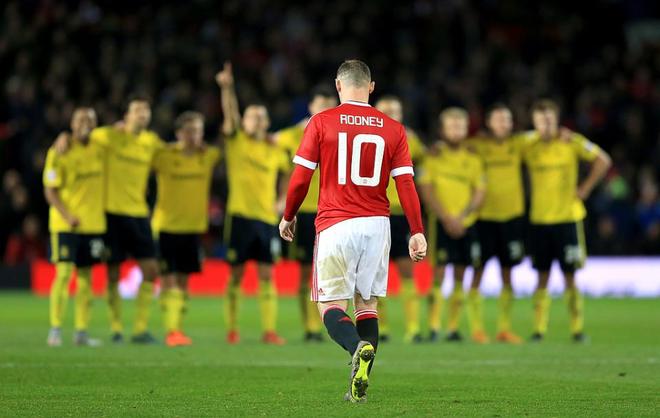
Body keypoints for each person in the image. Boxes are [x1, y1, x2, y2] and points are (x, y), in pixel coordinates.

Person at [279, 60, 427, 402]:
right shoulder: (394, 128)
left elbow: (301, 178)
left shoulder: (321, 122)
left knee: (330, 306)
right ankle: (358, 386)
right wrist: (417, 230)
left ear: (338, 85)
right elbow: (405, 183)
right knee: (367, 304)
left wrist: (288, 215)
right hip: (378, 225)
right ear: (371, 87)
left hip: (336, 223)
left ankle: (355, 346)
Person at [57, 97, 165, 343]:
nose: (143, 114)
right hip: (112, 214)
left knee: (151, 270)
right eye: (137, 110)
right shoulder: (107, 136)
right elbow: (81, 134)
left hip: (139, 214)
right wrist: (63, 136)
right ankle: (116, 328)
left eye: (146, 111)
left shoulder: (151, 142)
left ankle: (140, 330)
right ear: (127, 116)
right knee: (113, 272)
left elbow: (170, 155)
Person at [524, 99, 611, 342]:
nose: (545, 125)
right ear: (534, 123)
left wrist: (586, 188)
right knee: (541, 277)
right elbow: (503, 146)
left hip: (568, 218)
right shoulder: (527, 145)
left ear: (557, 119)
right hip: (540, 220)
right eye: (541, 121)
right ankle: (539, 330)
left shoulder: (572, 142)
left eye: (549, 120)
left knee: (570, 276)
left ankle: (577, 329)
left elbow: (603, 160)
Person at [216, 62, 289, 345]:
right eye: (252, 117)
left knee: (268, 275)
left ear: (267, 123)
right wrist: (227, 89)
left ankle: (269, 331)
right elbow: (230, 116)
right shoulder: (236, 142)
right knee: (235, 276)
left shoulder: (275, 150)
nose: (257, 121)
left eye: (261, 117)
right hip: (240, 217)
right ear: (244, 122)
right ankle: (232, 330)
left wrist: (282, 200)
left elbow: (288, 174)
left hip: (266, 219)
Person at [151, 111, 221, 347]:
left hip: (193, 228)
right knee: (169, 280)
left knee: (183, 282)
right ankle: (172, 331)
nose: (193, 136)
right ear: (179, 133)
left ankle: (176, 327)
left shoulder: (208, 156)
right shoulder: (164, 155)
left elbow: (229, 138)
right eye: (189, 131)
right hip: (166, 227)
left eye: (198, 131)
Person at [275, 87, 337, 342]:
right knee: (304, 272)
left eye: (329, 106)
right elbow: (283, 167)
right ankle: (311, 327)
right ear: (310, 107)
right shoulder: (291, 136)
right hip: (304, 210)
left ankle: (328, 322)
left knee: (329, 272)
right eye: (321, 105)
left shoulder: (340, 133)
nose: (325, 110)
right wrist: (283, 201)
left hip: (332, 211)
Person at [418, 107, 486, 343]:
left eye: (460, 126)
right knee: (438, 274)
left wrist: (462, 216)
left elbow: (479, 191)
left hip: (467, 223)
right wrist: (447, 218)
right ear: (442, 130)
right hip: (441, 223)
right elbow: (426, 190)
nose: (456, 131)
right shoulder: (433, 157)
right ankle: (434, 327)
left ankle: (453, 328)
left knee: (460, 273)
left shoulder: (474, 159)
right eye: (452, 126)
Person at [467, 104, 527, 344]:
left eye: (506, 119)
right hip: (483, 218)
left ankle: (504, 328)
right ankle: (477, 329)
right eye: (498, 119)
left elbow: (541, 138)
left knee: (508, 273)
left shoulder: (520, 144)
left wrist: (563, 134)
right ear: (489, 123)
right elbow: (454, 146)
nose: (503, 124)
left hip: (512, 218)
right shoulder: (476, 145)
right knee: (477, 272)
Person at [44, 108, 104, 347]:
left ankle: (81, 332)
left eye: (90, 119)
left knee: (86, 279)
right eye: (80, 119)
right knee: (64, 274)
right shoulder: (59, 150)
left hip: (93, 224)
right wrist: (67, 216)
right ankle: (55, 329)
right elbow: (50, 190)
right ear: (71, 123)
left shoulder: (101, 148)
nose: (85, 123)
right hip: (65, 224)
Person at [374, 96, 427, 343]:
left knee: (407, 272)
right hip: (376, 212)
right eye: (385, 112)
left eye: (394, 111)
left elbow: (427, 159)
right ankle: (382, 328)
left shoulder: (409, 139)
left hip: (400, 214)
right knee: (375, 274)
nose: (390, 116)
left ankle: (413, 328)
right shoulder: (367, 137)